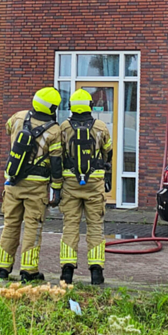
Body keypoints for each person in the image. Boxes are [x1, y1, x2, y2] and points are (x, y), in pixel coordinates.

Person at [0, 87, 63, 282]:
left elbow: (8, 128)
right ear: (52, 108)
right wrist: (57, 188)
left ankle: (2, 269)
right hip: (37, 186)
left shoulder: (18, 117)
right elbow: (56, 162)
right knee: (33, 227)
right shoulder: (54, 130)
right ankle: (28, 271)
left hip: (12, 182)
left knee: (10, 225)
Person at [58, 89, 113, 286]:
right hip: (94, 184)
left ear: (71, 106)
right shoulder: (100, 127)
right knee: (95, 227)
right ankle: (96, 273)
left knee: (70, 226)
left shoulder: (64, 127)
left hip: (70, 183)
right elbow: (108, 152)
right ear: (90, 106)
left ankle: (67, 271)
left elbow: (59, 155)